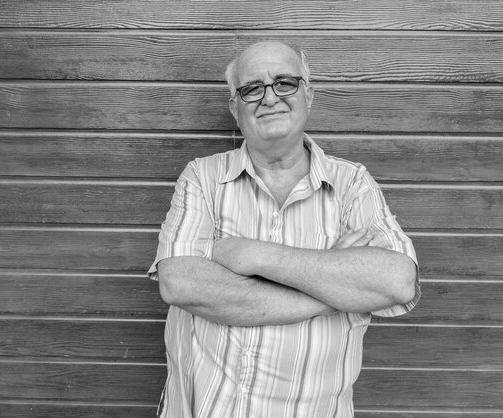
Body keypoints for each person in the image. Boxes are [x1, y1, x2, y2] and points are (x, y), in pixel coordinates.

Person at [148, 41, 419, 417]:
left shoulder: (352, 183)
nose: (269, 97)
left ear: (308, 94)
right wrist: (334, 290)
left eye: (285, 82)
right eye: (252, 88)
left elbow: (396, 282)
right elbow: (180, 284)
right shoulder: (202, 177)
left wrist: (252, 255)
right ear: (235, 106)